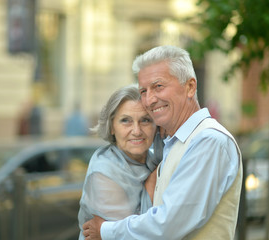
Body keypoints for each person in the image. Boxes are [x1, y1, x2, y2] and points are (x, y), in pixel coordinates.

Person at [82, 45, 243, 240]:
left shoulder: (208, 141)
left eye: (158, 86)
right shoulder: (174, 143)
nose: (149, 100)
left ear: (190, 87)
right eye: (143, 90)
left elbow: (169, 224)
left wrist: (106, 230)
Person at [78, 84, 163, 240]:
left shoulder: (154, 160)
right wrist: (151, 186)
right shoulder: (104, 172)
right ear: (112, 127)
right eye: (126, 121)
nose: (136, 131)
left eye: (145, 120)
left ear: (156, 126)